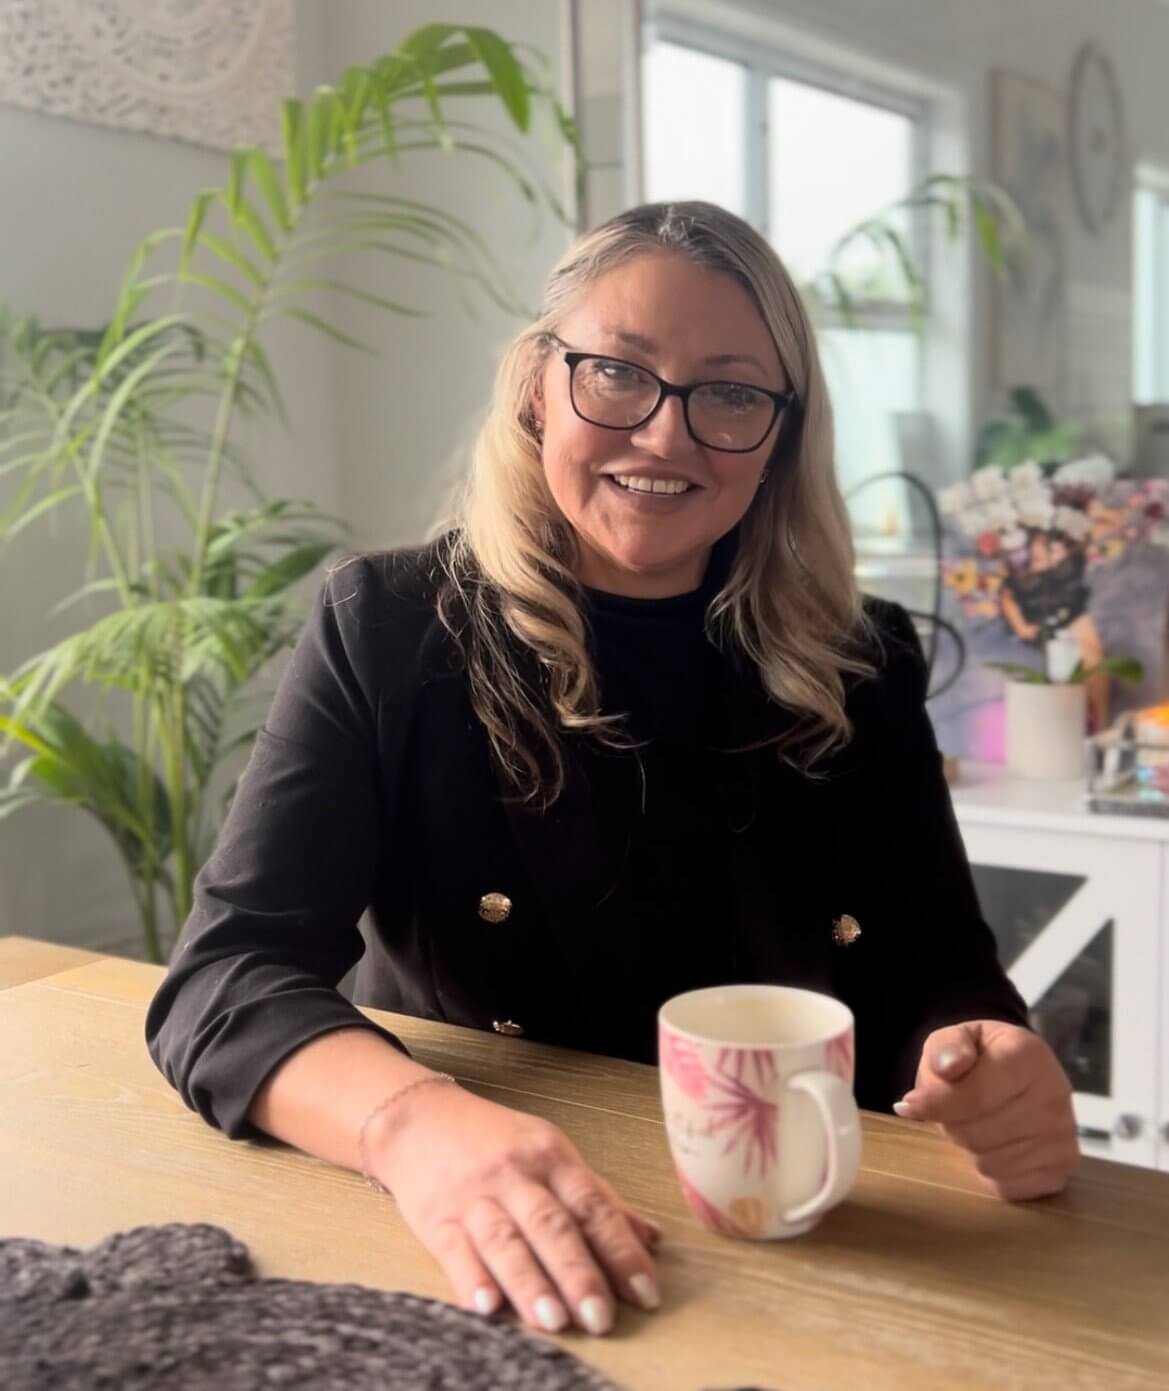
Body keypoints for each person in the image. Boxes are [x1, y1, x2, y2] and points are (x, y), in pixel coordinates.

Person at [146, 201, 1079, 1339]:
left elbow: (942, 973)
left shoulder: (864, 656)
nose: (664, 434)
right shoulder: (389, 625)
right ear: (538, 384)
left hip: (800, 1250)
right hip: (467, 1235)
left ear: (782, 433)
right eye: (617, 373)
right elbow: (222, 980)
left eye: (729, 392)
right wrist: (412, 1125)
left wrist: (987, 1058)